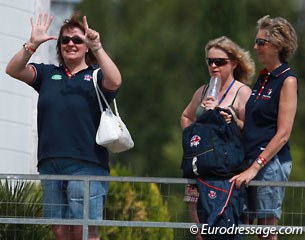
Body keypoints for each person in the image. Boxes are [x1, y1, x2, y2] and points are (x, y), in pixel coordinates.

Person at [5, 12, 121, 240]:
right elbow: (13, 70)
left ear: (86, 45)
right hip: (50, 164)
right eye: (65, 40)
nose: (71, 44)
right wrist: (32, 45)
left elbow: (116, 80)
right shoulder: (49, 74)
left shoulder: (96, 76)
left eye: (77, 40)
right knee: (59, 230)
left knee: (84, 230)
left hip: (86, 164)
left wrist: (97, 46)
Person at [230, 15, 298, 240]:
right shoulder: (263, 79)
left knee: (266, 234)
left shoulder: (287, 80)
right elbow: (254, 126)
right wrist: (231, 120)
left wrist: (255, 167)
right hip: (249, 160)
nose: (255, 47)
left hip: (269, 164)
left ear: (277, 44)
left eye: (260, 42)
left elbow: (283, 134)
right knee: (244, 226)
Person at [181, 36, 255, 240]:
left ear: (233, 63)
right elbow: (186, 116)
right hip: (199, 173)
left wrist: (230, 118)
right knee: (200, 234)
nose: (214, 66)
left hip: (227, 177)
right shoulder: (203, 91)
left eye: (220, 62)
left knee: (227, 233)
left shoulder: (242, 92)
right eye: (209, 61)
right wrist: (192, 141)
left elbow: (250, 131)